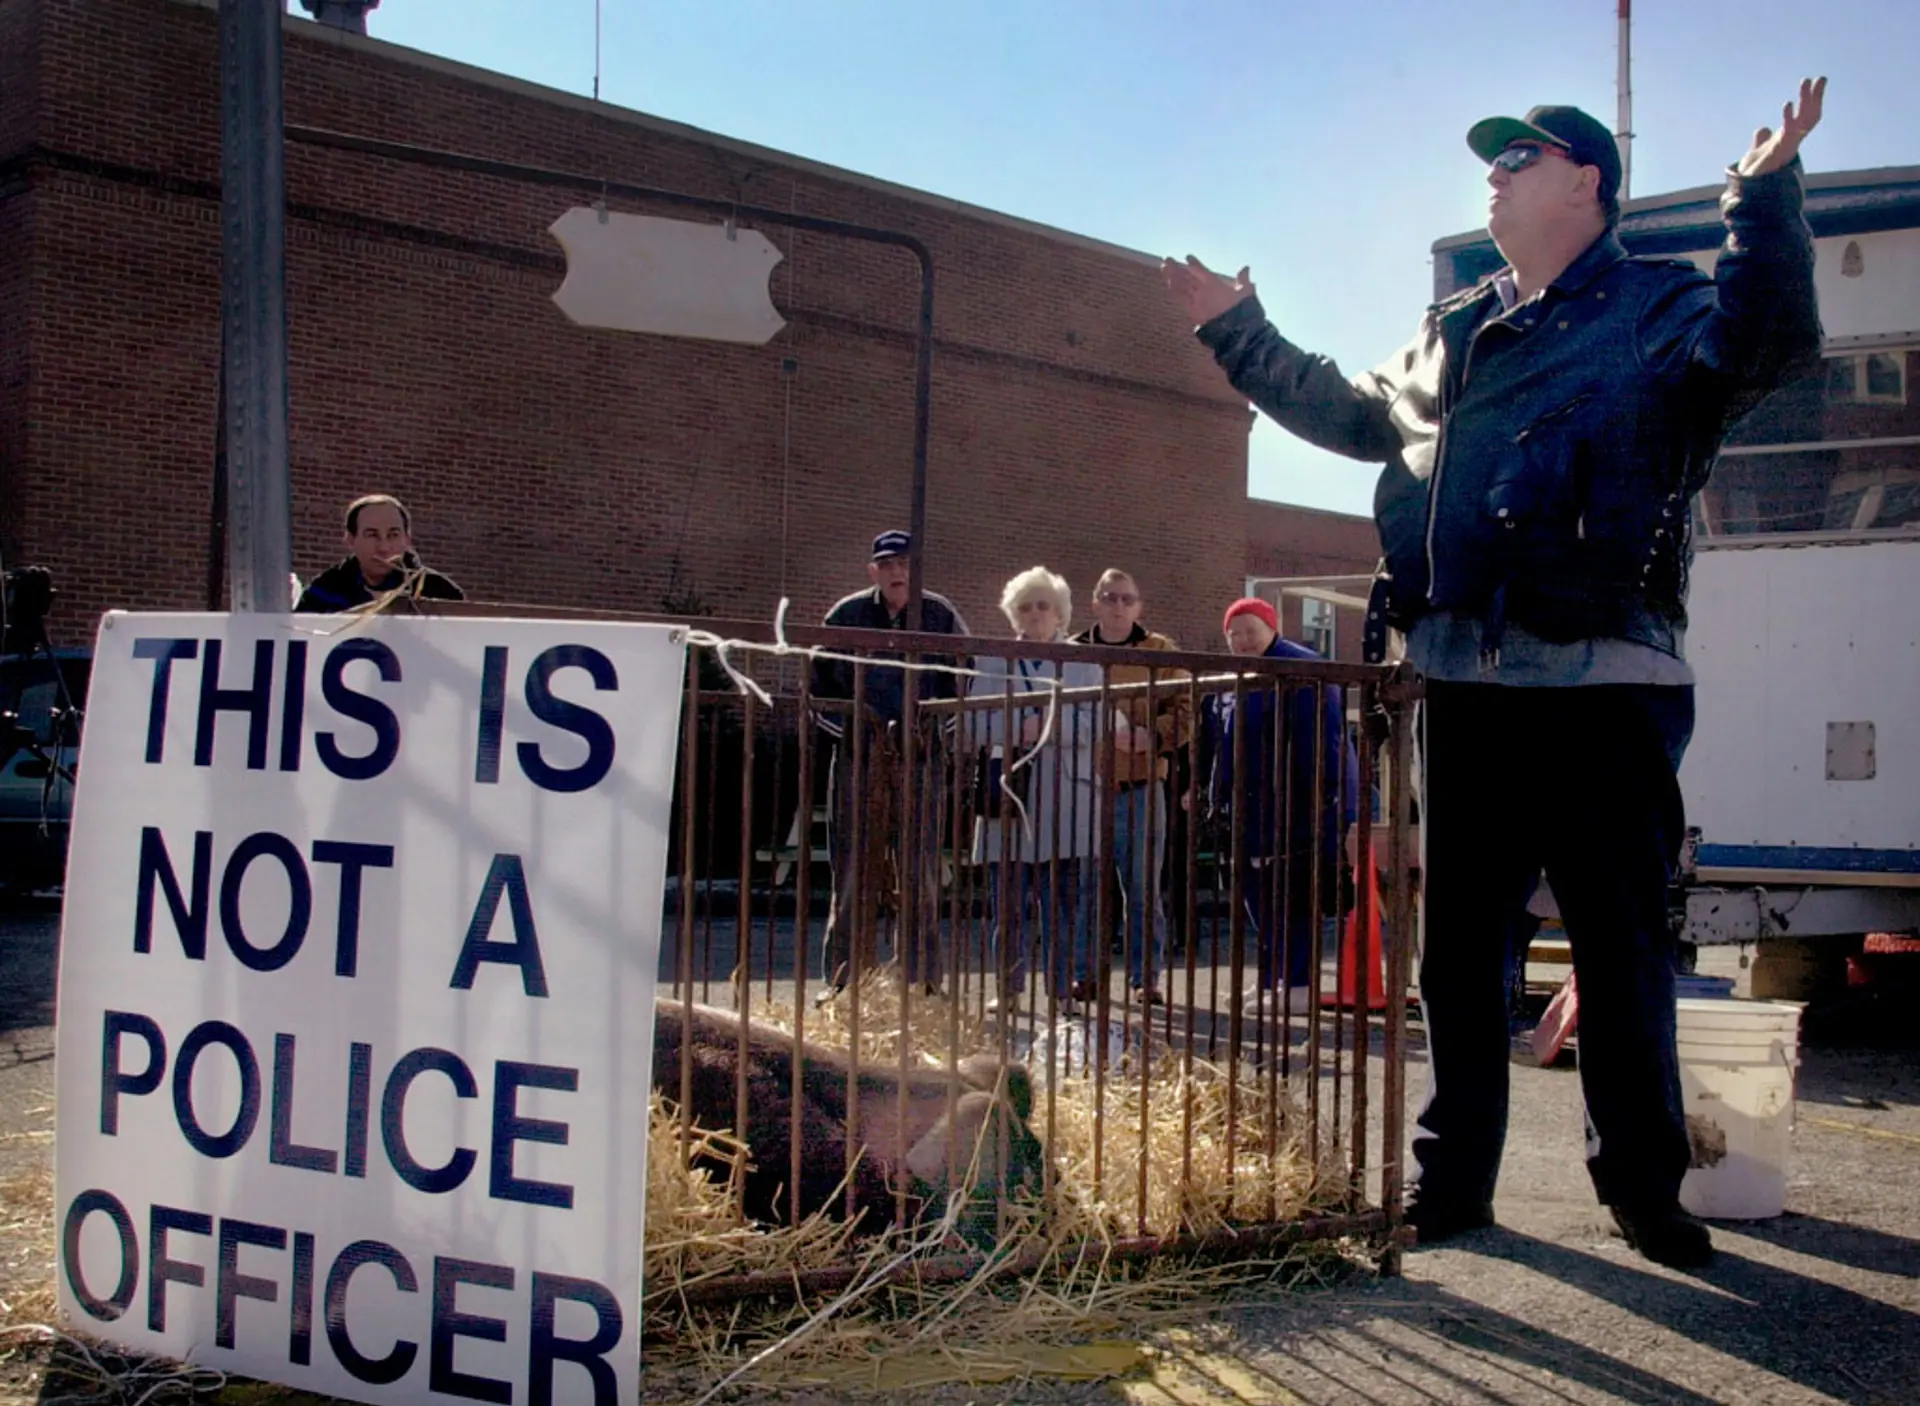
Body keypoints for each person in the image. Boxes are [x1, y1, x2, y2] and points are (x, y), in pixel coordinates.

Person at [1164, 85, 1827, 1269]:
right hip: (1460, 675)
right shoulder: (1453, 326)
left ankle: (1642, 1189)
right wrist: (1240, 325)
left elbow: (1768, 344)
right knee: (1456, 954)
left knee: (1620, 948)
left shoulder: (1657, 303)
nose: (1495, 172)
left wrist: (1764, 198)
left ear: (1587, 183)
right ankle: (1453, 1184)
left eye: (1521, 157)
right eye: (1492, 160)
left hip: (1599, 681)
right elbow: (1357, 413)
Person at [811, 530, 970, 999]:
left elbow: (964, 686)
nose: (898, 573)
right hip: (858, 763)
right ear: (873, 571)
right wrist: (859, 735)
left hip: (921, 762)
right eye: (888, 565)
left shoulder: (941, 617)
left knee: (919, 874)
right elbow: (818, 689)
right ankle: (843, 982)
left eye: (905, 563)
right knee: (853, 872)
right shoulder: (847, 615)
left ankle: (921, 984)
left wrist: (929, 736)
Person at [1204, 598, 1355, 1016]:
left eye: (1249, 631)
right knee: (1261, 895)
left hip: (1292, 802)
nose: (1241, 641)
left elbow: (1322, 740)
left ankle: (1300, 982)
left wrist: (1321, 797)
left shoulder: (1301, 668)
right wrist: (1217, 793)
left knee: (1293, 893)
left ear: (1272, 628)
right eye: (1233, 634)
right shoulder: (1240, 674)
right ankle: (1273, 979)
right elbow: (1224, 739)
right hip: (1254, 805)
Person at [967, 567, 1102, 1011]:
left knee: (1062, 906)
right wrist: (1014, 726)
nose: (1036, 613)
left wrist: (1047, 727)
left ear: (1060, 612)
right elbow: (969, 723)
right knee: (1008, 907)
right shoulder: (993, 661)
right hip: (1011, 795)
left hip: (1067, 797)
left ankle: (1062, 993)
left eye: (1044, 605)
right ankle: (1008, 991)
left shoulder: (1084, 662)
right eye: (1026, 606)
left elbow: (1098, 720)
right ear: (1014, 614)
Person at [1070, 569, 1190, 1006]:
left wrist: (1152, 736)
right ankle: (1085, 975)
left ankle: (1146, 979)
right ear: (1095, 604)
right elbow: (1056, 710)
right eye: (1109, 597)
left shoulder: (1160, 651)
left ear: (1138, 606)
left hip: (1142, 785)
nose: (1118, 606)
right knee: (1086, 887)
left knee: (1142, 889)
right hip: (1084, 787)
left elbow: (1186, 706)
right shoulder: (1072, 653)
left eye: (1126, 598)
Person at [295, 493, 465, 612]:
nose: (384, 547)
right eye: (372, 535)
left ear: (407, 539)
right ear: (350, 539)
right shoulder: (322, 592)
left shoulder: (440, 592)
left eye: (393, 535)